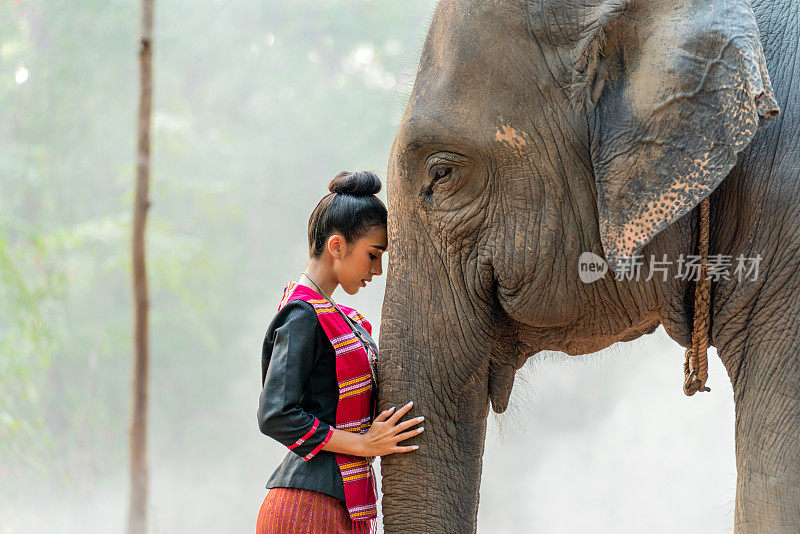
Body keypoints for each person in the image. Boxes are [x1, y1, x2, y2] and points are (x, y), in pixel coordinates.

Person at [256, 171, 424, 534]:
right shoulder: (303, 314)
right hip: (306, 512)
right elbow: (276, 414)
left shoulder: (341, 318)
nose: (378, 270)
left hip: (335, 506)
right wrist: (363, 444)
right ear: (337, 246)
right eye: (373, 254)